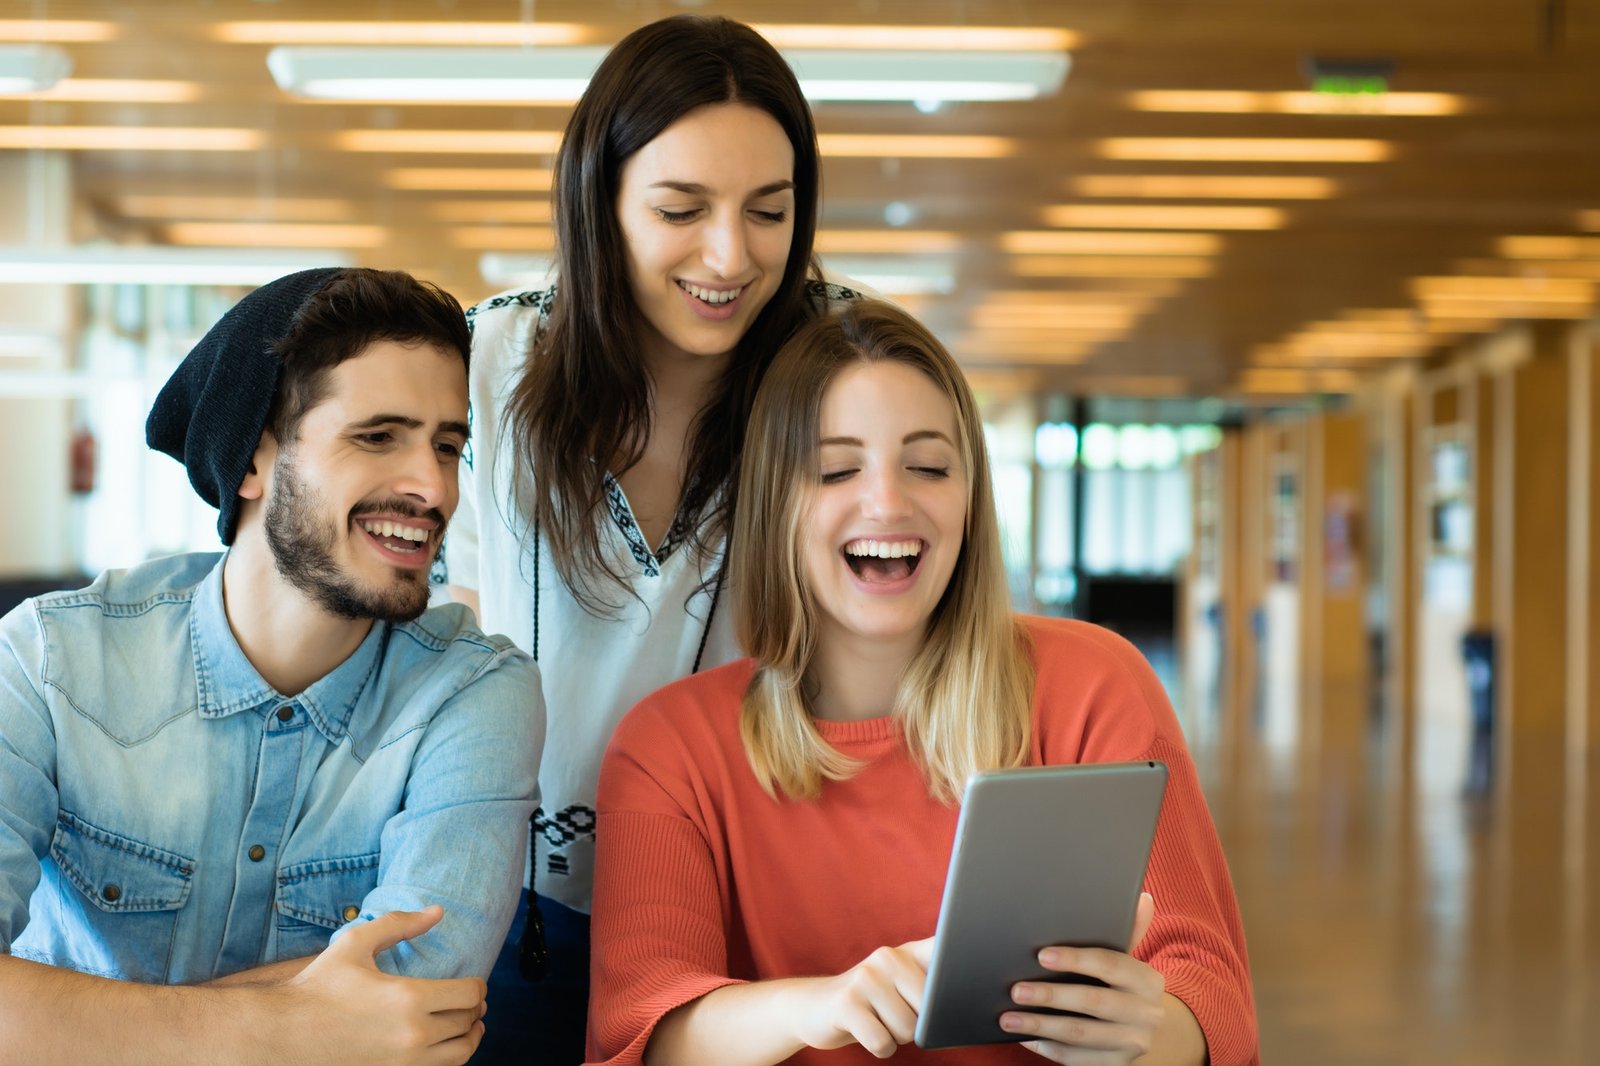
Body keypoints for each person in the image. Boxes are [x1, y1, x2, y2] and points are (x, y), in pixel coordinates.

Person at [587, 301, 1259, 1066]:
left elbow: (1210, 994)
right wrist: (820, 1004)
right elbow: (640, 1031)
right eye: (837, 469)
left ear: (971, 497)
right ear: (774, 504)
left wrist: (1154, 1035)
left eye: (929, 466)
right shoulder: (669, 746)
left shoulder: (1092, 685)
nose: (887, 503)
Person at [439, 14, 862, 1061]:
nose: (731, 256)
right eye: (680, 209)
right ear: (601, 201)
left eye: (769, 212)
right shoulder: (492, 356)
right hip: (515, 902)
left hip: (754, 894)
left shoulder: (838, 364)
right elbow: (452, 613)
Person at [0, 267, 545, 1064]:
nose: (431, 487)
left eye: (447, 446)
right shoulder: (53, 662)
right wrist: (292, 1026)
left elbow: (417, 1009)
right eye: (376, 436)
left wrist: (64, 1023)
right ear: (252, 458)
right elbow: (360, 1032)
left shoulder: (475, 694)